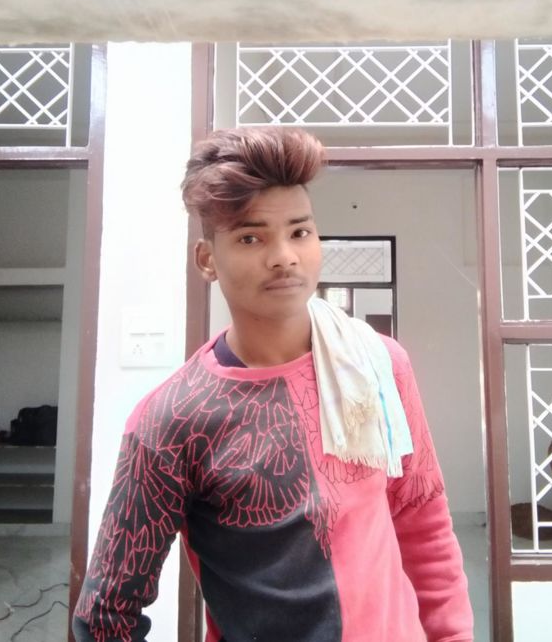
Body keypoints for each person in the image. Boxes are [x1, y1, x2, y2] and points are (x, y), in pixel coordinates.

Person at [73, 125, 474, 642]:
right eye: (251, 237)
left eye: (299, 233)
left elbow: (422, 519)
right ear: (207, 259)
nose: (284, 255)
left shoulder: (378, 366)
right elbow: (106, 616)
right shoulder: (174, 419)